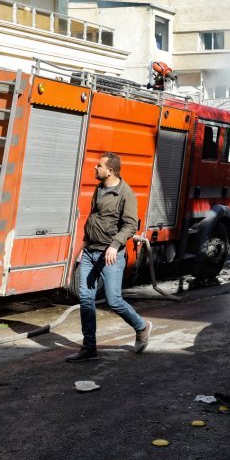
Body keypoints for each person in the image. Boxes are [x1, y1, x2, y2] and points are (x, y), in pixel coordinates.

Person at [66, 153, 152, 362]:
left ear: (110, 171)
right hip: (90, 252)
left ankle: (141, 326)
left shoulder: (126, 194)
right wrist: (85, 243)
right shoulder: (100, 188)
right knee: (86, 298)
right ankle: (89, 348)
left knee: (114, 300)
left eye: (99, 166)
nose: (95, 169)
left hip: (110, 254)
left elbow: (130, 225)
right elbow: (96, 218)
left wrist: (114, 246)